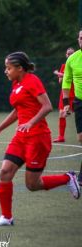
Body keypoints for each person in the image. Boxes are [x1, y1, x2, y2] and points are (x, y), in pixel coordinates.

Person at [0, 51, 80, 226]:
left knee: (32, 184)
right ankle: (6, 217)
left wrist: (30, 123)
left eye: (8, 68)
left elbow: (47, 107)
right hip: (21, 137)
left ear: (20, 68)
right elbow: (17, 110)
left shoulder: (32, 81)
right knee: (5, 172)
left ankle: (68, 178)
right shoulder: (16, 83)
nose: (5, 71)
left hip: (37, 139)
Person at [62, 29, 82, 186]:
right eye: (81, 38)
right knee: (81, 138)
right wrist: (66, 104)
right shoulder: (72, 59)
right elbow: (66, 82)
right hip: (80, 102)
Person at [52, 47, 75, 143]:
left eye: (71, 53)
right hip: (65, 93)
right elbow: (60, 81)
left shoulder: (76, 64)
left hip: (75, 92)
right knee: (61, 114)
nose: (69, 55)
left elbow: (71, 76)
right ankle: (61, 137)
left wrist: (58, 73)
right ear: (66, 55)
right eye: (68, 54)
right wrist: (60, 75)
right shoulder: (63, 66)